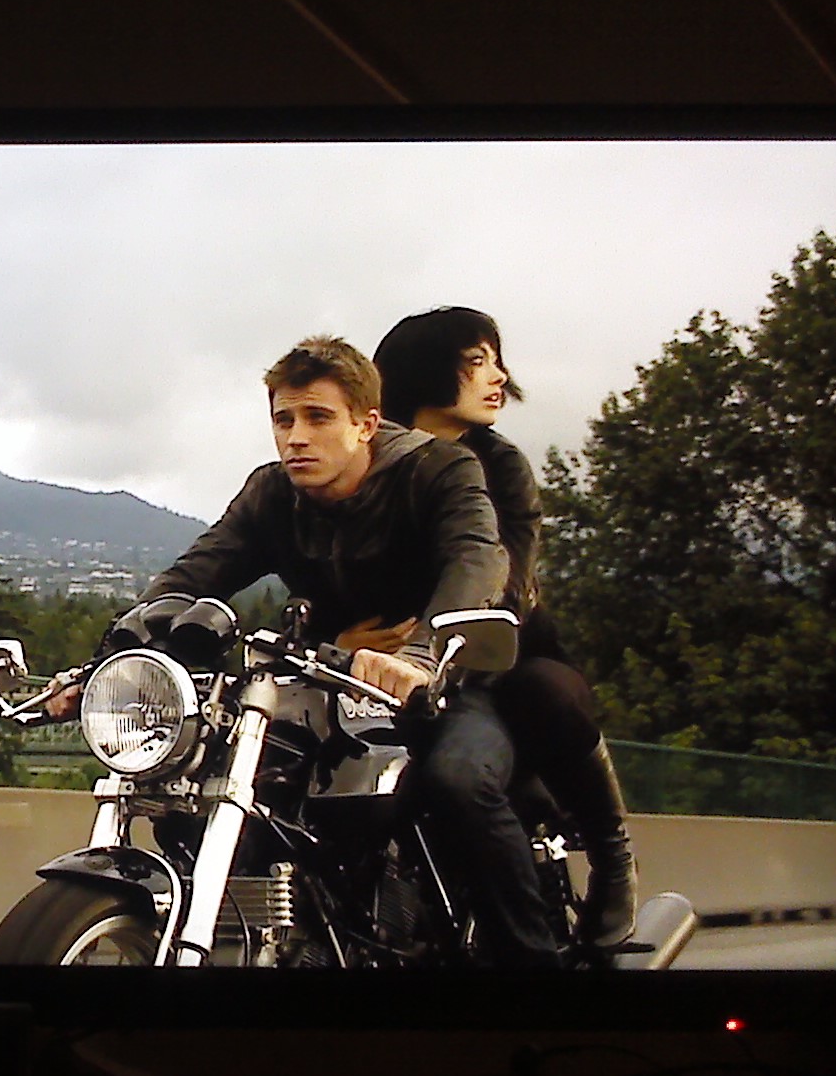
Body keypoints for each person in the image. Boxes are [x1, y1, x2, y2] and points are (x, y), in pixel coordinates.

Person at [60, 334, 562, 969]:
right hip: (327, 681)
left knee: (458, 780)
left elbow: (477, 559)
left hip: (448, 680)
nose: (297, 437)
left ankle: (535, 969)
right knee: (204, 780)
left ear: (366, 424)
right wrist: (103, 662)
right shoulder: (271, 494)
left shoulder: (438, 469)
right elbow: (189, 578)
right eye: (284, 419)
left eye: (318, 417)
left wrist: (420, 657)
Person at [371, 307, 638, 946]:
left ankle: (613, 856)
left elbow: (506, 575)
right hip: (389, 667)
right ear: (425, 372)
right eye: (476, 362)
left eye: (495, 360)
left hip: (500, 657)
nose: (498, 377)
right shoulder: (368, 462)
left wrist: (425, 638)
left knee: (548, 693)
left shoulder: (500, 465)